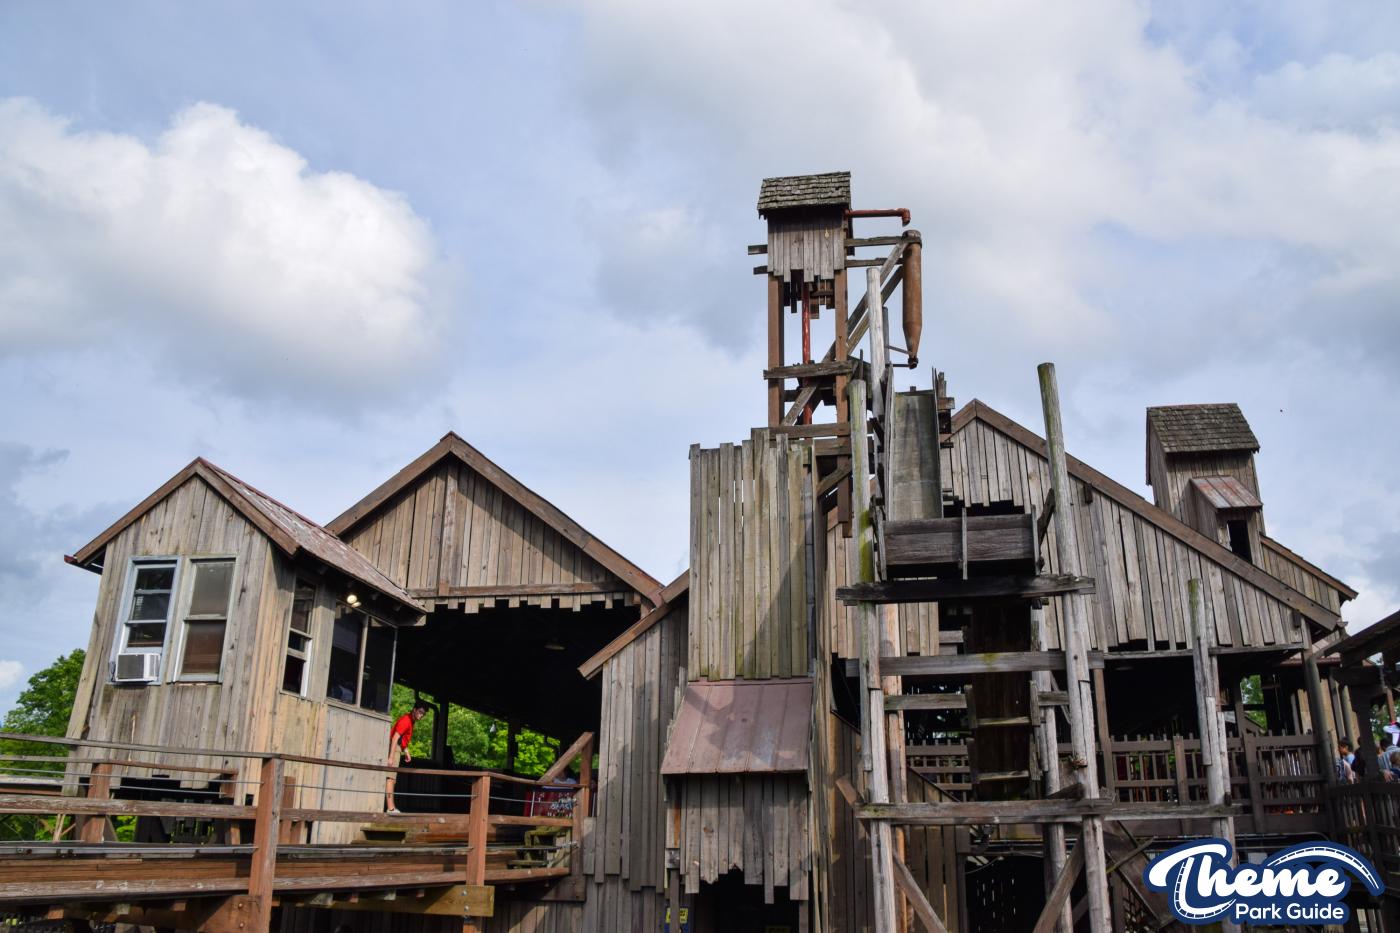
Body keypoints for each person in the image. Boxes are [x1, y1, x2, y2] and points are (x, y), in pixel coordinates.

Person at [385, 704, 427, 814]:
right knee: (390, 778)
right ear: (414, 710)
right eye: (420, 712)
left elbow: (402, 739)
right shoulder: (406, 720)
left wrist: (406, 750)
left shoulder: (411, 721)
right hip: (394, 748)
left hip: (398, 748)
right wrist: (391, 757)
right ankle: (390, 808)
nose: (421, 715)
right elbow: (395, 738)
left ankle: (391, 807)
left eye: (423, 714)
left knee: (393, 779)